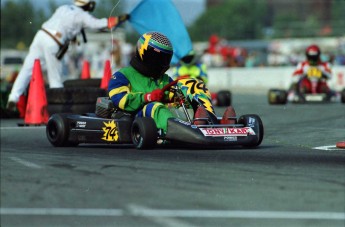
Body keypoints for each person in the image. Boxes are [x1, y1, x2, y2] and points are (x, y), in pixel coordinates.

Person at [6, 0, 129, 111]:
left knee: (27, 69)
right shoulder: (82, 15)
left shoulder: (64, 7)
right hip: (54, 41)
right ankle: (58, 109)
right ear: (87, 4)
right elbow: (99, 24)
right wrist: (119, 19)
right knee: (55, 77)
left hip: (40, 35)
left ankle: (13, 97)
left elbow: (66, 24)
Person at [108, 31, 175, 134]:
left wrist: (180, 99)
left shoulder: (165, 79)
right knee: (154, 107)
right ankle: (177, 133)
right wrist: (147, 97)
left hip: (162, 117)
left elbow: (174, 97)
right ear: (143, 52)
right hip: (136, 117)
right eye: (156, 58)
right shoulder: (123, 75)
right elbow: (120, 100)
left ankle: (203, 127)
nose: (159, 63)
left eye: (163, 59)